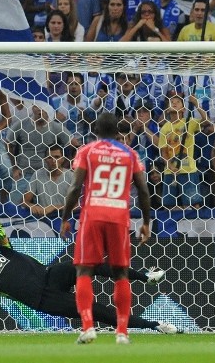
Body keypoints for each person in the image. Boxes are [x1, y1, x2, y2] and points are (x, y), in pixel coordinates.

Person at [0, 197, 175, 335]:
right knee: (99, 312)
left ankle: (146, 276)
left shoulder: (4, 248)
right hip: (45, 300)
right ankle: (155, 326)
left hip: (51, 276)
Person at [58, 113, 152, 344]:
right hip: (119, 216)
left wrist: (65, 217)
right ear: (118, 132)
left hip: (93, 214)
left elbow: (74, 188)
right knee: (120, 273)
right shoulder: (129, 153)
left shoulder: (87, 151)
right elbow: (143, 190)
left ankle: (88, 327)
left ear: (96, 131)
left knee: (84, 270)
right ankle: (122, 332)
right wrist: (146, 223)